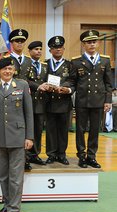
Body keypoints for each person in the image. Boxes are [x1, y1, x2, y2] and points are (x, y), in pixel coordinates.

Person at [0, 57, 33, 212]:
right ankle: (6, 205)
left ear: (13, 71)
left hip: (18, 138)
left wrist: (29, 137)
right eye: (4, 69)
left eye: (10, 69)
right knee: (3, 176)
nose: (7, 71)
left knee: (16, 179)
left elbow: (29, 113)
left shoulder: (22, 85)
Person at [71, 30, 113, 168]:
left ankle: (92, 156)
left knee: (95, 130)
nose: (92, 44)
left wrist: (108, 100)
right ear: (83, 44)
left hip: (98, 101)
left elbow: (108, 83)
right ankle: (81, 156)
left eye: (94, 41)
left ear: (98, 43)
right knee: (80, 130)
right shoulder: (76, 62)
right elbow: (73, 82)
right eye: (89, 42)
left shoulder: (105, 60)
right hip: (82, 101)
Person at [45, 36, 74, 165]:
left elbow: (74, 81)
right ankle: (51, 154)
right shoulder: (45, 64)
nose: (58, 50)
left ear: (63, 49)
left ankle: (62, 154)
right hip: (49, 101)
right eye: (55, 48)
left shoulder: (70, 64)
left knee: (63, 129)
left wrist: (66, 89)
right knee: (50, 129)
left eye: (60, 47)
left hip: (64, 102)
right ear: (50, 50)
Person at [8, 28, 33, 170]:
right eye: (17, 41)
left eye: (22, 41)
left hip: (26, 99)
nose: (20, 44)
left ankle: (27, 158)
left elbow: (32, 80)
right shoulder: (7, 59)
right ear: (11, 43)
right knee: (14, 129)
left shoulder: (29, 61)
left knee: (26, 128)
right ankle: (16, 159)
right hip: (11, 100)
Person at [25, 41, 48, 166]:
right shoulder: (26, 63)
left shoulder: (44, 66)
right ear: (29, 51)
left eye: (40, 49)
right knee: (27, 130)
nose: (38, 51)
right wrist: (38, 86)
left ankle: (35, 154)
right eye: (35, 49)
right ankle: (26, 156)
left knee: (38, 130)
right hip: (28, 101)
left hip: (40, 102)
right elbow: (24, 80)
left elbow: (48, 79)